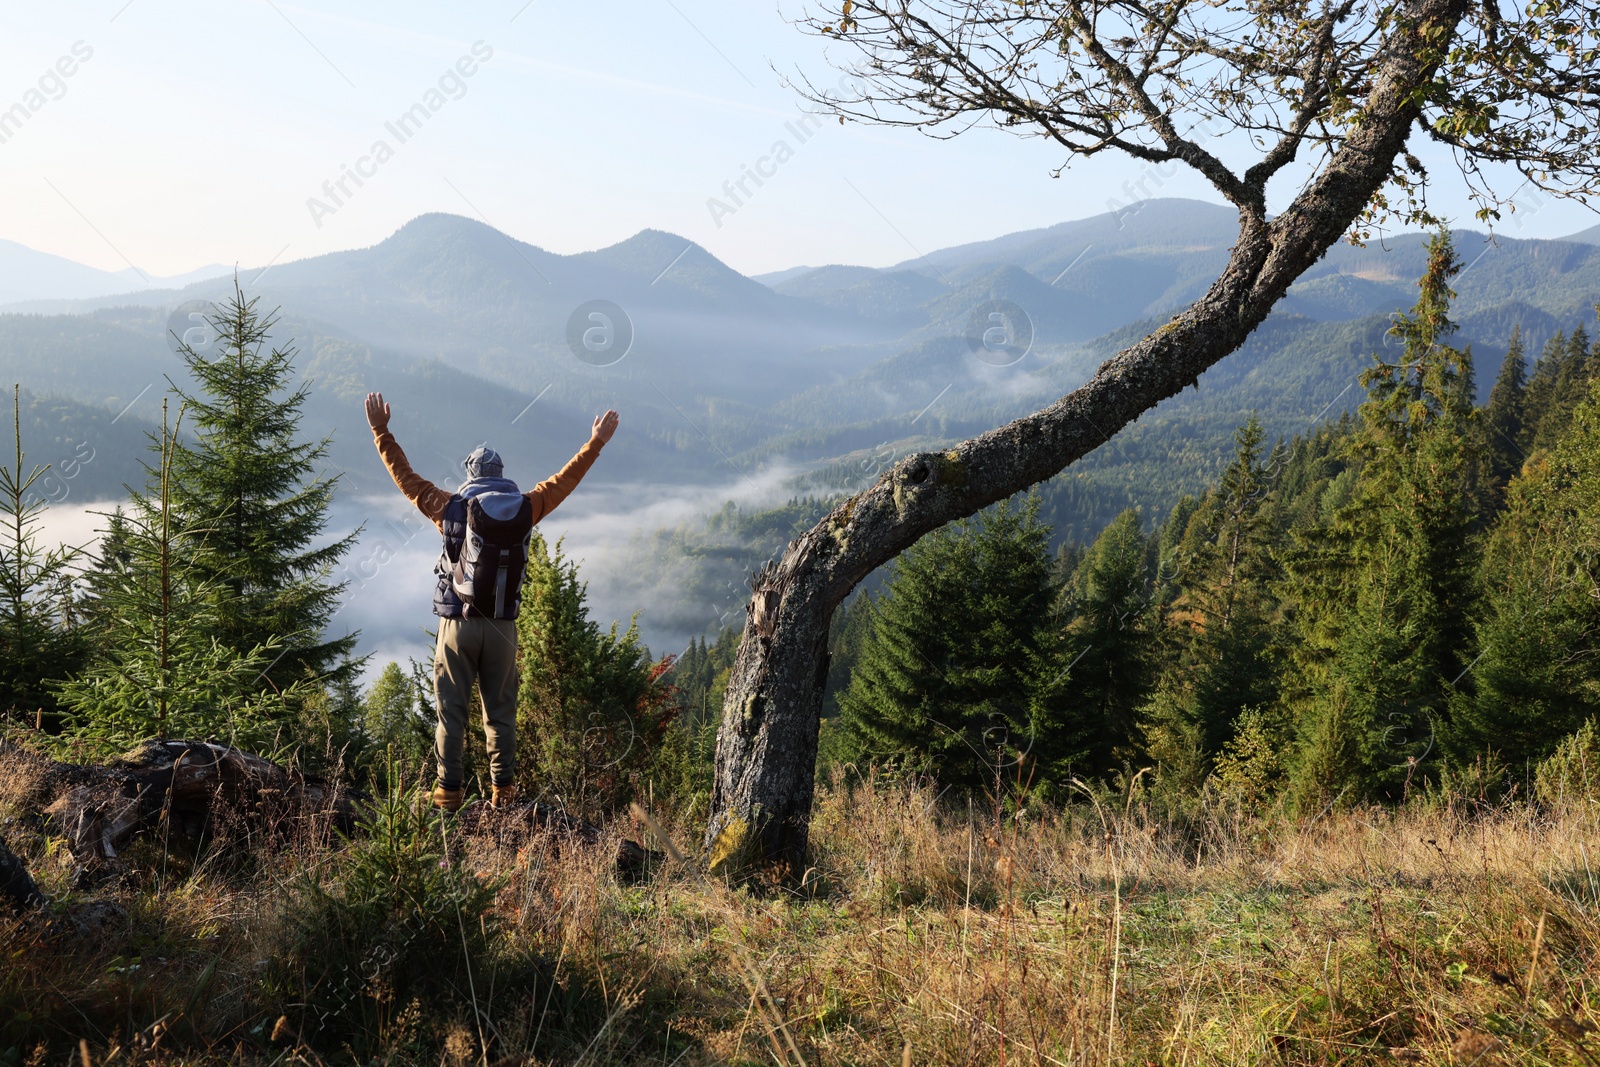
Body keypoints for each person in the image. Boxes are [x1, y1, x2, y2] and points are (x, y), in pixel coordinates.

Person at [365, 391, 619, 810]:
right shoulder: (527, 506)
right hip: (503, 626)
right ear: (502, 475)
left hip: (458, 623)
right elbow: (566, 479)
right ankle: (504, 793)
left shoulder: (449, 506)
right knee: (500, 713)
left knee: (452, 711)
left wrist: (381, 431)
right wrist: (596, 442)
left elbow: (406, 479)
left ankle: (448, 793)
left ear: (469, 475)